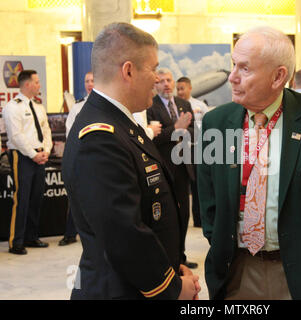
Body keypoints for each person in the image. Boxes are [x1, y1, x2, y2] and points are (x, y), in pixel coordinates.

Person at [197, 26, 301, 299]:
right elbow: (208, 197)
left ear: (278, 76)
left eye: (245, 69)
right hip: (236, 271)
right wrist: (217, 240)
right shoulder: (217, 122)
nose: (233, 78)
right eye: (233, 66)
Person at [62, 22, 200, 300]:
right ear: (128, 70)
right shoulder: (100, 136)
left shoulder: (121, 124)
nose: (158, 80)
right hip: (123, 290)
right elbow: (123, 234)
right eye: (153, 69)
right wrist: (171, 289)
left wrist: (173, 266)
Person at [147, 69, 198, 269]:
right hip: (163, 168)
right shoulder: (151, 106)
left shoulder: (184, 104)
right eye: (161, 81)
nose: (166, 84)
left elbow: (194, 130)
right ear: (156, 84)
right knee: (167, 215)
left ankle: (181, 256)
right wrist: (176, 128)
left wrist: (183, 130)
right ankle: (168, 259)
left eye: (169, 80)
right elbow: (153, 137)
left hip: (183, 166)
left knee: (184, 214)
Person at [2, 69, 53, 255]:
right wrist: (33, 154)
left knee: (36, 197)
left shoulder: (38, 107)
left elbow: (46, 130)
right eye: (37, 82)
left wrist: (46, 151)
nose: (39, 85)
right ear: (27, 84)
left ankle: (31, 237)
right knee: (21, 199)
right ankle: (16, 242)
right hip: (22, 157)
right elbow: (16, 136)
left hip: (40, 157)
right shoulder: (12, 107)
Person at [59, 71, 94, 246]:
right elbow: (70, 134)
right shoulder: (77, 108)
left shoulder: (106, 106)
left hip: (101, 159)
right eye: (86, 81)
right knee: (77, 197)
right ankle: (70, 233)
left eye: (92, 80)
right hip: (82, 159)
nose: (89, 84)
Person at [176, 76, 208, 228]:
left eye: (182, 88)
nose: (180, 91)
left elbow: (209, 126)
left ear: (189, 88)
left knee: (197, 185)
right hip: (181, 148)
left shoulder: (200, 105)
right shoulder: (177, 105)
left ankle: (198, 219)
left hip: (197, 147)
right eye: (178, 89)